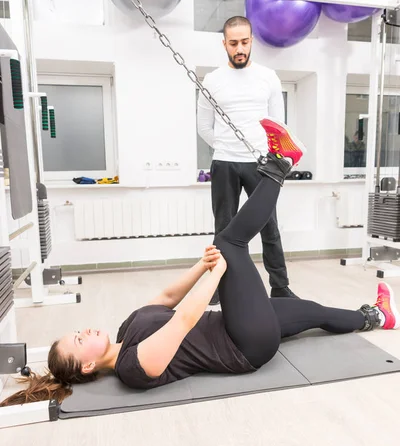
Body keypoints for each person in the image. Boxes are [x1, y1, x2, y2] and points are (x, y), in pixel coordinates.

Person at [1, 121, 399, 407]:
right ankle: (281, 165)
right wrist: (218, 270)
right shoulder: (133, 368)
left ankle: (375, 318)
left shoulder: (126, 331)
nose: (83, 330)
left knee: (311, 311)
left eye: (75, 331)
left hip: (235, 323)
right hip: (244, 345)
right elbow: (183, 321)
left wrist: (199, 265)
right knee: (230, 241)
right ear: (87, 364)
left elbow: (167, 299)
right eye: (77, 339)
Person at [197, 15, 297, 303]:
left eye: (244, 42)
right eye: (233, 43)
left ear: (251, 40)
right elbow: (203, 126)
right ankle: (221, 288)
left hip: (261, 164)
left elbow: (278, 123)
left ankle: (280, 286)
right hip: (225, 163)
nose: (239, 48)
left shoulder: (268, 77)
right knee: (224, 230)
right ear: (224, 44)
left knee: (270, 227)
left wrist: (262, 151)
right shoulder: (213, 80)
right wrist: (226, 147)